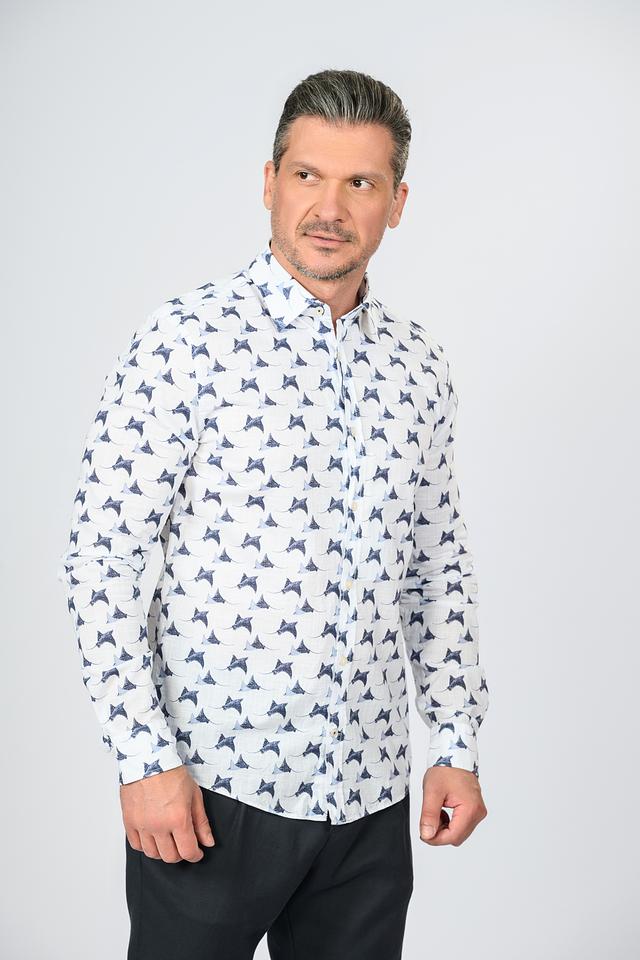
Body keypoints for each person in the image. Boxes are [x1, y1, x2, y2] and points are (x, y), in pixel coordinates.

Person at [57, 68, 489, 960]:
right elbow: (102, 560)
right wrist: (144, 759)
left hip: (368, 805)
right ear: (269, 182)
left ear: (397, 202)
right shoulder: (185, 342)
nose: (329, 208)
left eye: (360, 182)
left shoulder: (420, 369)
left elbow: (436, 568)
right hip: (212, 792)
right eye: (307, 175)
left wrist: (454, 742)